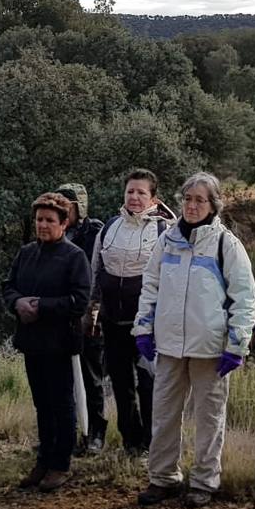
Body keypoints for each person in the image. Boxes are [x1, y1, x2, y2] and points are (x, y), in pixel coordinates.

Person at [133, 172, 255, 509]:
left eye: (200, 199)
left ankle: (203, 482)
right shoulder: (167, 240)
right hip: (169, 345)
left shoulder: (225, 244)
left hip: (211, 349)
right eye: (187, 198)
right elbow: (150, 286)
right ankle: (163, 478)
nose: (192, 205)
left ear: (213, 204)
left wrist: (237, 345)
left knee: (209, 417)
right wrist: (143, 329)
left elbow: (244, 298)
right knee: (164, 413)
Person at [2, 192, 94, 492]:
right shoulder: (26, 252)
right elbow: (8, 287)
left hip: (60, 341)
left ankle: (60, 464)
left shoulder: (75, 257)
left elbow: (79, 300)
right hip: (31, 341)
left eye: (49, 220)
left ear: (64, 223)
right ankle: (43, 458)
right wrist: (17, 303)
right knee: (42, 404)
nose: (43, 225)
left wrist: (41, 306)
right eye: (39, 219)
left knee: (62, 403)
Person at [94, 170, 171, 455]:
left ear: (153, 198)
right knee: (121, 381)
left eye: (141, 193)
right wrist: (93, 307)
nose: (134, 197)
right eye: (130, 192)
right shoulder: (110, 226)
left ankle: (153, 443)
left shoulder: (165, 230)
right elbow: (96, 269)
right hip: (113, 319)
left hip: (149, 322)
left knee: (149, 383)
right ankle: (130, 441)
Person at [55, 182, 110, 454]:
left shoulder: (96, 232)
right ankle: (68, 433)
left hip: (90, 313)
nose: (63, 209)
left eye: (68, 204)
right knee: (62, 379)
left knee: (91, 376)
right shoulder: (55, 232)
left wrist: (95, 310)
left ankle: (96, 433)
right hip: (61, 313)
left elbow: (100, 273)